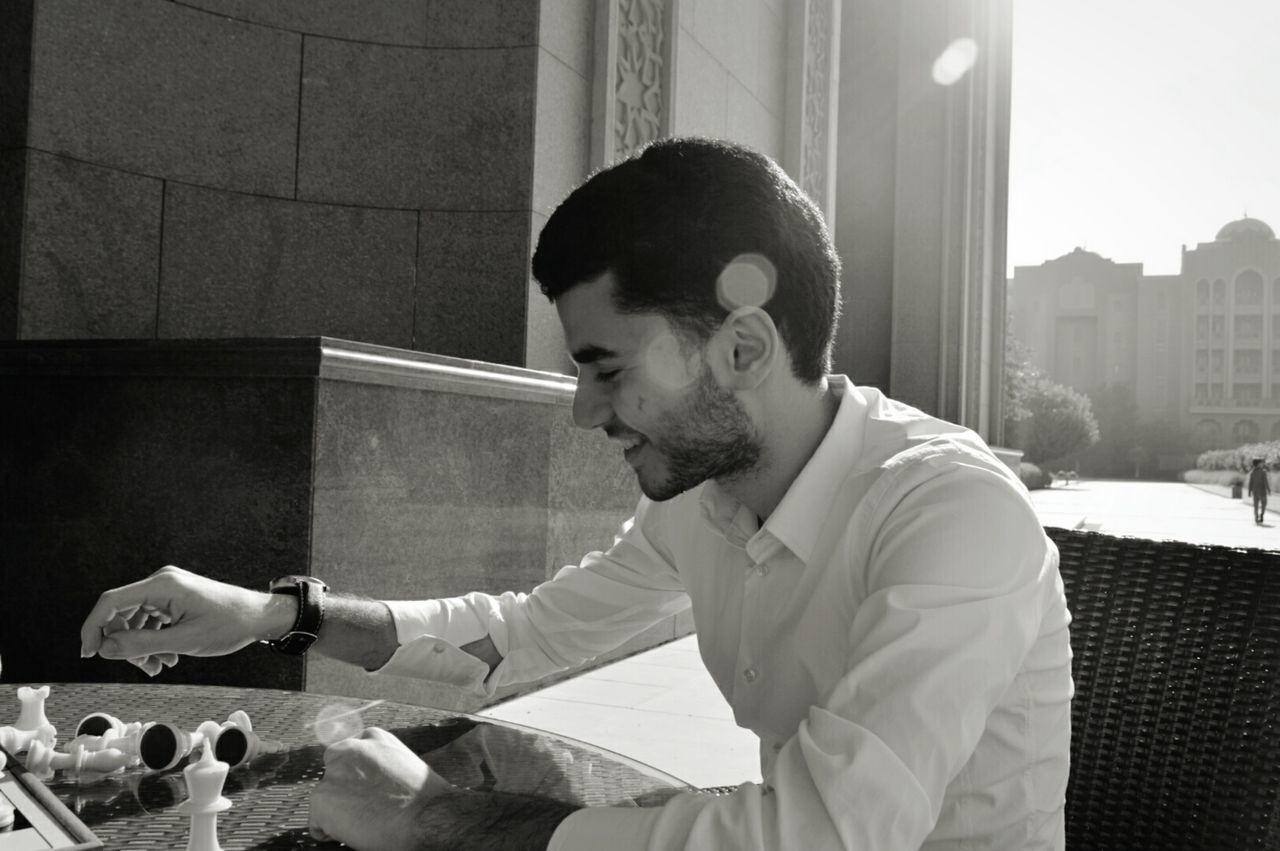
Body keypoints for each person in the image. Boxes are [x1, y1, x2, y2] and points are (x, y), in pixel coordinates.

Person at [78, 138, 1073, 851]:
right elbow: (515, 640)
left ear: (740, 347)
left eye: (604, 367)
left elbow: (818, 835)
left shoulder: (951, 516)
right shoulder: (701, 497)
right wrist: (273, 614)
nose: (582, 413)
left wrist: (438, 820)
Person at [1248, 457, 1270, 524]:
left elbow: (1250, 483)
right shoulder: (1263, 472)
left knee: (1256, 505)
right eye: (1261, 463)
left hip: (1255, 492)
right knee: (1264, 504)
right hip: (1262, 491)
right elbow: (1265, 482)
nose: (1263, 464)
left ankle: (1256, 517)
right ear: (1258, 464)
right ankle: (1262, 514)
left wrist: (1249, 491)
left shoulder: (1252, 473)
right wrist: (1268, 489)